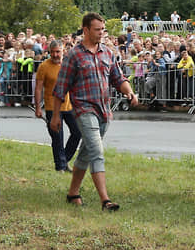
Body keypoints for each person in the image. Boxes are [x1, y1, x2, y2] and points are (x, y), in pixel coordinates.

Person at [51, 13, 138, 211]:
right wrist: (56, 115)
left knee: (86, 153)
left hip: (104, 112)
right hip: (83, 109)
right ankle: (105, 200)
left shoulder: (107, 52)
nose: (101, 33)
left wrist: (130, 92)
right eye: (97, 30)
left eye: (103, 29)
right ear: (86, 30)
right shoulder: (74, 55)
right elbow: (60, 88)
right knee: (97, 152)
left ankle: (73, 193)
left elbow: (118, 78)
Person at [35, 40, 82, 171]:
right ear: (49, 52)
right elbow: (38, 88)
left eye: (58, 52)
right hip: (51, 107)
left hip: (69, 106)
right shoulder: (44, 66)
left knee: (77, 132)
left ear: (63, 51)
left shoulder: (68, 64)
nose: (55, 55)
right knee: (57, 137)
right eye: (52, 52)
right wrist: (38, 107)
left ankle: (64, 160)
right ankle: (61, 167)